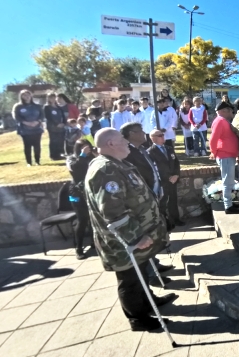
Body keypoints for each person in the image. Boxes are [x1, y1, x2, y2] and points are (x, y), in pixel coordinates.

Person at [84, 128, 175, 332]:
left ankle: (148, 302)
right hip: (123, 243)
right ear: (110, 144)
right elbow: (113, 211)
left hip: (135, 238)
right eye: (122, 140)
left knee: (140, 273)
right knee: (130, 280)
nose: (126, 143)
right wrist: (135, 238)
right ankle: (138, 318)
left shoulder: (117, 164)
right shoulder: (105, 170)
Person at [208, 101, 239, 214]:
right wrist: (213, 151)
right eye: (229, 110)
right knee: (227, 181)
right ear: (223, 111)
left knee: (229, 181)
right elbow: (213, 139)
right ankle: (228, 206)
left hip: (228, 155)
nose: (232, 112)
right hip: (225, 155)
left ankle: (230, 204)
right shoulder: (220, 121)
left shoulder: (223, 121)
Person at [146, 128, 183, 227]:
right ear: (153, 139)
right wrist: (168, 178)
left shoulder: (169, 148)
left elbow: (176, 163)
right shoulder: (150, 152)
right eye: (160, 135)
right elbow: (154, 168)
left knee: (173, 201)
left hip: (173, 180)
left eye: (163, 134)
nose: (163, 137)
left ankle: (176, 219)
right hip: (162, 182)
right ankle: (165, 223)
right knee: (162, 203)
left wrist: (176, 175)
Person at [67, 140, 96, 259]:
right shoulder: (72, 158)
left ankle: (95, 243)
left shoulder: (92, 157)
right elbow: (74, 168)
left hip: (91, 190)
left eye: (87, 147)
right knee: (82, 219)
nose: (86, 149)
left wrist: (95, 155)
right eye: (83, 147)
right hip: (77, 192)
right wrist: (82, 155)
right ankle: (78, 247)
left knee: (94, 219)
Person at [13, 89, 44, 167]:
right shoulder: (18, 106)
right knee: (27, 146)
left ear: (31, 96)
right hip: (25, 130)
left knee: (37, 145)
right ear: (21, 97)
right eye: (24, 95)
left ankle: (37, 161)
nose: (26, 97)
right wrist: (26, 123)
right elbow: (17, 117)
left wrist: (37, 122)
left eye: (28, 95)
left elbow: (42, 115)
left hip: (37, 129)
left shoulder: (37, 106)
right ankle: (29, 162)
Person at [43, 93, 67, 161]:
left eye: (54, 97)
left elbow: (63, 116)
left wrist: (63, 123)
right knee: (54, 141)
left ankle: (61, 154)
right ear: (48, 98)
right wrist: (56, 124)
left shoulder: (59, 107)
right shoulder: (47, 107)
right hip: (52, 126)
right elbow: (48, 117)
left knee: (61, 140)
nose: (53, 99)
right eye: (51, 98)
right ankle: (53, 155)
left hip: (61, 126)